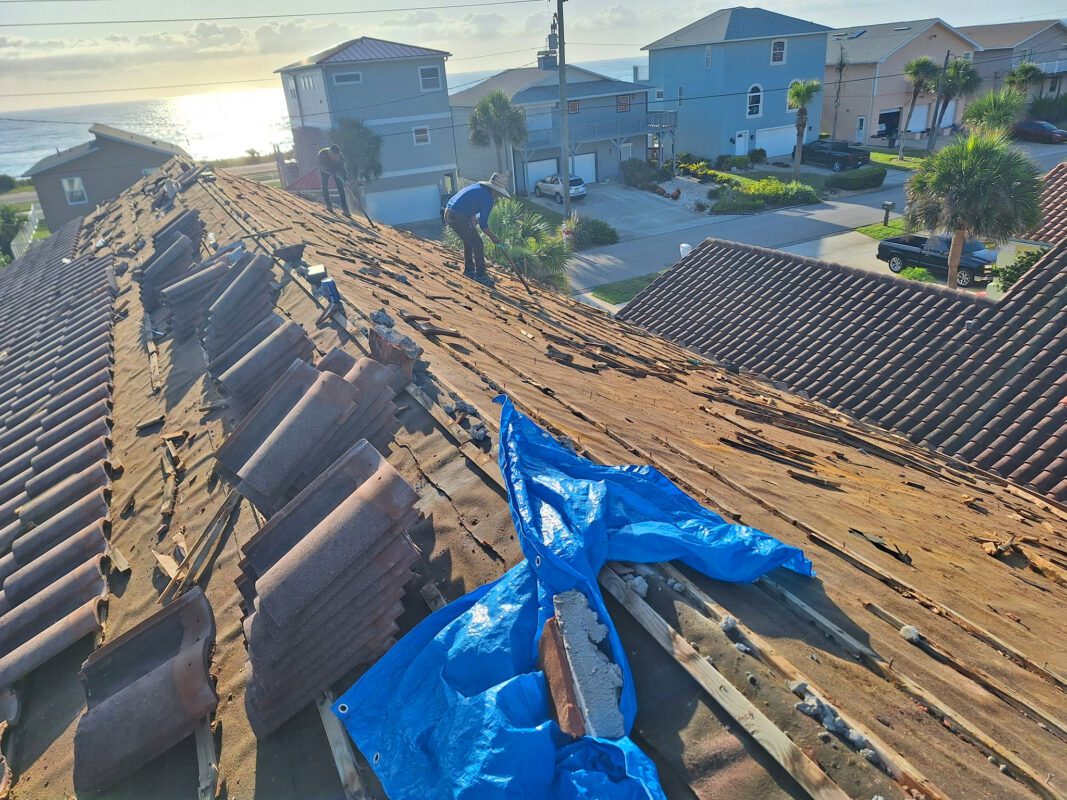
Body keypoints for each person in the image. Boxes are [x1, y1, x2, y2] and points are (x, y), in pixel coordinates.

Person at [444, 172, 510, 284]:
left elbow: (471, 209)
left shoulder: (478, 188)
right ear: (495, 190)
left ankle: (469, 270)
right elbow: (483, 223)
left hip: (449, 212)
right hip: (457, 216)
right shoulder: (488, 198)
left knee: (469, 240)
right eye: (499, 194)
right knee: (478, 244)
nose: (500, 196)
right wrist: (493, 237)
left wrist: (472, 227)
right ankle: (480, 275)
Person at [318, 144, 350, 216]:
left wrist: (346, 180)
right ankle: (329, 205)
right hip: (325, 169)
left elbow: (344, 169)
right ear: (330, 153)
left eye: (337, 156)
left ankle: (345, 209)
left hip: (336, 169)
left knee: (340, 187)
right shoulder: (322, 154)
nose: (336, 158)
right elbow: (323, 168)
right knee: (324, 184)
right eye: (334, 156)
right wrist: (333, 173)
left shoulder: (341, 157)